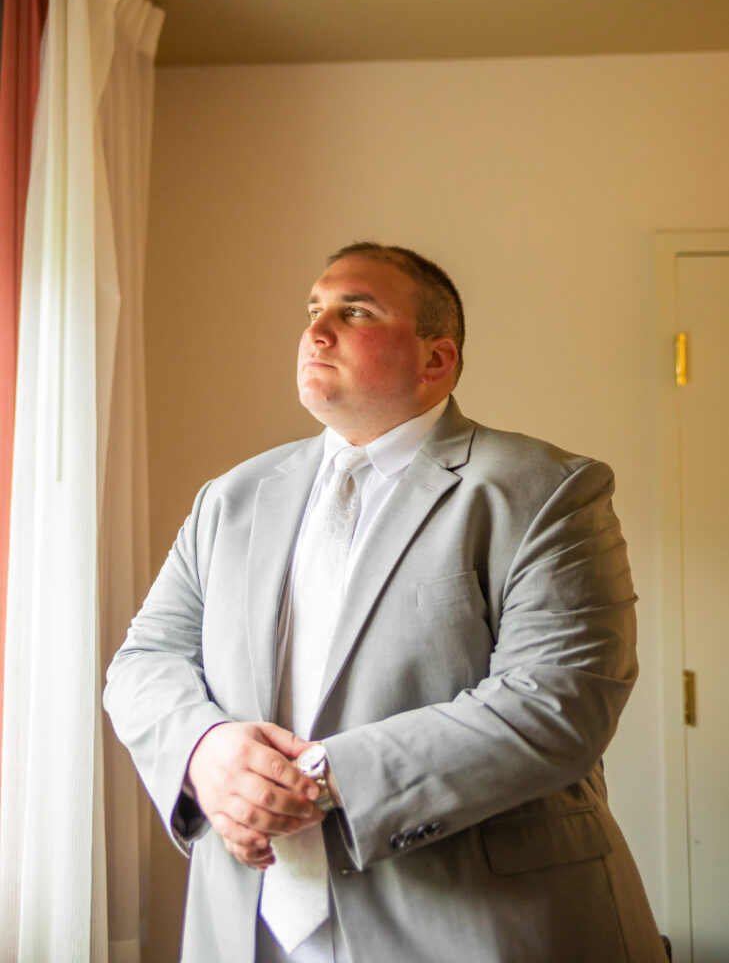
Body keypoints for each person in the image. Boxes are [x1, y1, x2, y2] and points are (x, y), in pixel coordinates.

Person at [104, 243, 667, 962]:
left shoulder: (546, 490)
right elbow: (144, 660)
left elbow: (558, 703)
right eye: (313, 310)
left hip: (475, 922)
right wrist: (205, 751)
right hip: (248, 924)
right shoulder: (231, 497)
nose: (316, 330)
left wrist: (310, 785)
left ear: (435, 359)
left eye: (355, 311)